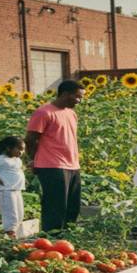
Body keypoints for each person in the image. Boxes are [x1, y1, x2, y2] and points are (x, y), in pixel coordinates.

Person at [26, 79, 84, 232]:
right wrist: (33, 160)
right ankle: (51, 243)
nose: (79, 101)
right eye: (77, 97)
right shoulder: (44, 112)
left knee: (73, 207)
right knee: (55, 208)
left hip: (72, 165)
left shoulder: (71, 113)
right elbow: (31, 139)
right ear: (65, 94)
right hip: (51, 165)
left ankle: (67, 242)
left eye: (81, 98)